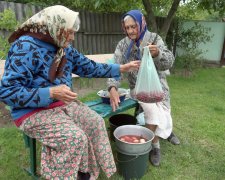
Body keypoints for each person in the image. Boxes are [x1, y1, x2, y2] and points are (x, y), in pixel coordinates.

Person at [0, 5, 140, 180]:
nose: (73, 37)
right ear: (55, 28)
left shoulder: (62, 46)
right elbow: (7, 92)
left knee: (95, 122)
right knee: (74, 138)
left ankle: (84, 173)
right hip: (31, 111)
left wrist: (120, 68)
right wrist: (50, 93)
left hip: (61, 105)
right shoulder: (25, 47)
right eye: (70, 32)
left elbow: (89, 67)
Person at [107, 10, 180, 167]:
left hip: (159, 86)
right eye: (127, 27)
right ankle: (155, 147)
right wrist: (112, 87)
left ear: (142, 23)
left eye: (134, 26)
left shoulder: (154, 39)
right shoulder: (123, 44)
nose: (130, 31)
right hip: (138, 89)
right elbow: (115, 67)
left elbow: (168, 62)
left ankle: (166, 132)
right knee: (152, 110)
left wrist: (157, 53)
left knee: (164, 108)